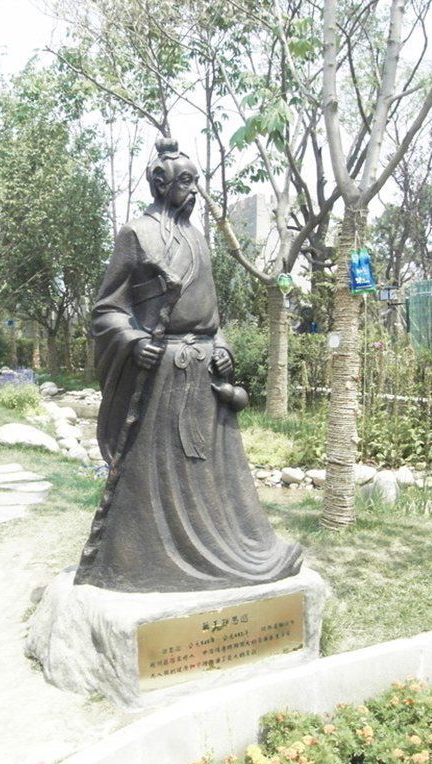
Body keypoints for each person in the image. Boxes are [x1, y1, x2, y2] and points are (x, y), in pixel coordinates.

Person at [73, 138, 302, 593]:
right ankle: (144, 564)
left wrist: (223, 345)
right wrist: (134, 340)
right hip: (161, 374)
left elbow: (211, 318)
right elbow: (106, 310)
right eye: (185, 182)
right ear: (161, 184)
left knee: (217, 479)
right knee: (153, 476)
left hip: (203, 378)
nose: (194, 190)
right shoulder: (135, 235)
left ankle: (230, 553)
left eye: (195, 181)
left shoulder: (198, 238)